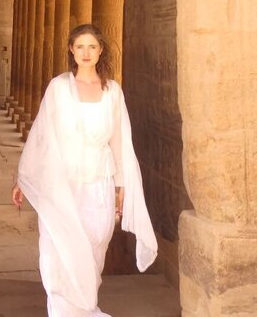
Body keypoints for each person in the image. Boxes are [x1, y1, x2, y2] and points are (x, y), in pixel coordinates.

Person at [11, 23, 157, 316]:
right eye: (80, 46)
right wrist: (22, 178)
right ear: (71, 50)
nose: (86, 52)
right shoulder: (58, 88)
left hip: (99, 185)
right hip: (61, 185)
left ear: (101, 50)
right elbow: (41, 135)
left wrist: (120, 185)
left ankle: (85, 308)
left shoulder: (112, 92)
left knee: (93, 248)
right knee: (58, 253)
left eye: (92, 46)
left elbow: (119, 142)